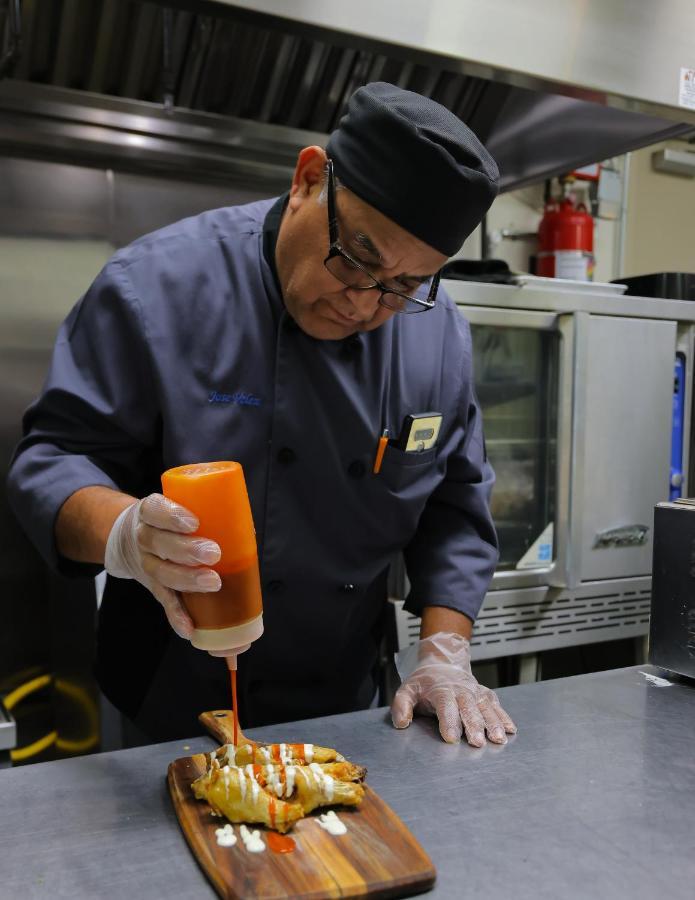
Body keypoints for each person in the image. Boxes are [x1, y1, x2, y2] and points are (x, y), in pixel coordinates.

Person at [7, 82, 516, 747]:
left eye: (404, 285)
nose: (365, 303)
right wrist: (127, 535)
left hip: (347, 699)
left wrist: (444, 654)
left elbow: (456, 502)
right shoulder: (154, 288)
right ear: (309, 180)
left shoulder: (438, 332)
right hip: (168, 696)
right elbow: (50, 463)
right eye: (358, 257)